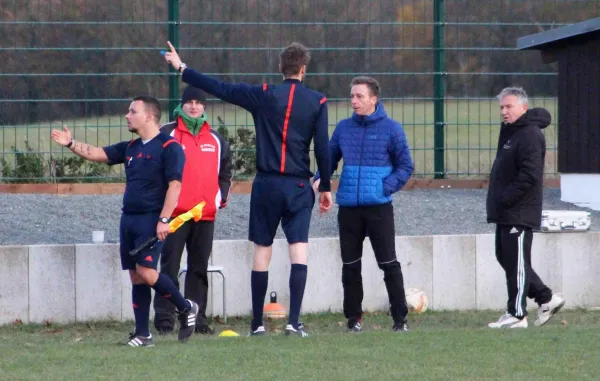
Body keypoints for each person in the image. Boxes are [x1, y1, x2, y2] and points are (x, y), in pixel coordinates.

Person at [162, 41, 333, 337]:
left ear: (281, 68)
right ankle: (293, 322)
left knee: (261, 252)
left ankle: (257, 324)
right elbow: (324, 147)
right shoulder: (317, 101)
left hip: (266, 184)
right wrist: (327, 185)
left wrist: (182, 68)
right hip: (298, 185)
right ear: (303, 69)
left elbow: (221, 88)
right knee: (299, 252)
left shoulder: (263, 95)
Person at [50, 95, 199, 346]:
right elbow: (98, 153)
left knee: (147, 271)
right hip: (128, 219)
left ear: (149, 116)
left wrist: (164, 219)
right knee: (135, 276)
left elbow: (175, 186)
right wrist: (70, 143)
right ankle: (143, 334)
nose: (127, 116)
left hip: (152, 219)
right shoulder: (131, 147)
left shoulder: (169, 147)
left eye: (132, 111)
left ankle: (185, 308)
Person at [312, 76, 414, 332]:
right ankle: (353, 318)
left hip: (379, 208)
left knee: (388, 263)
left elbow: (405, 166)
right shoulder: (344, 128)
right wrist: (318, 180)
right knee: (350, 265)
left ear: (374, 99)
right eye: (352, 96)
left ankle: (400, 319)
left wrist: (384, 187)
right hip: (348, 208)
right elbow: (330, 159)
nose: (354, 101)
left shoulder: (392, 129)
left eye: (359, 96)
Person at [153, 85, 233, 335]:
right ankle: (165, 321)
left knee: (198, 270)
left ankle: (198, 320)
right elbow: (154, 169)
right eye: (190, 102)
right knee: (169, 269)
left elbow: (226, 173)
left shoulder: (216, 140)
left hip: (205, 215)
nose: (194, 106)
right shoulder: (167, 133)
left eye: (199, 103)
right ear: (182, 105)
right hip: (175, 216)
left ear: (204, 107)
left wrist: (218, 199)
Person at [486, 87, 565, 329]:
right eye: (502, 107)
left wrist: (506, 198)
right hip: (506, 211)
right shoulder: (511, 132)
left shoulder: (530, 134)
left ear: (523, 107)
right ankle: (546, 298)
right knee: (507, 259)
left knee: (517, 263)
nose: (504, 111)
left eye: (509, 107)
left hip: (519, 211)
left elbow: (530, 175)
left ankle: (517, 314)